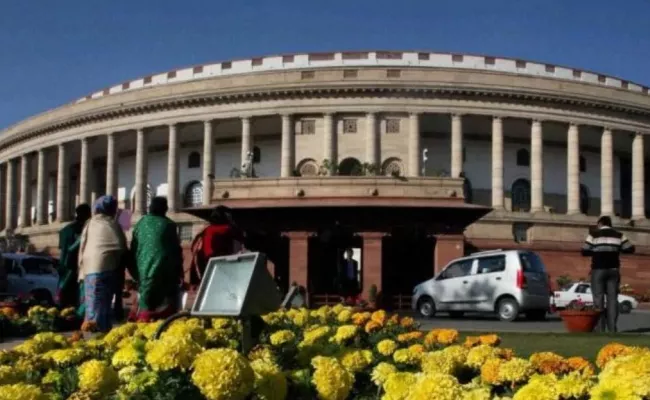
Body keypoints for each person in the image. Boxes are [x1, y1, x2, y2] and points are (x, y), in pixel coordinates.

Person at [78, 195, 128, 332]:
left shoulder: (91, 222)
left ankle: (96, 332)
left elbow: (82, 246)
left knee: (93, 305)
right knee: (102, 306)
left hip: (89, 270)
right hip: (107, 269)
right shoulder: (112, 224)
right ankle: (99, 334)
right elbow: (121, 247)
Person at [129, 196, 183, 322]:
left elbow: (133, 248)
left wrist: (135, 272)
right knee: (167, 301)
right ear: (165, 209)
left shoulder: (140, 223)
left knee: (146, 302)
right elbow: (175, 251)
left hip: (143, 271)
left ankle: (142, 326)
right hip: (164, 272)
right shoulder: (169, 225)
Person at [581, 215, 635, 333]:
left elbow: (584, 250)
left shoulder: (594, 234)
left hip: (598, 269)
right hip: (613, 270)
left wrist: (596, 251)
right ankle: (612, 328)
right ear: (610, 224)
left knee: (598, 299)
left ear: (600, 223)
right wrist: (616, 249)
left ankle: (600, 328)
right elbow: (631, 249)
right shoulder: (619, 235)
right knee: (612, 299)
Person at [188, 206, 244, 288]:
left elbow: (194, 251)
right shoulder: (232, 231)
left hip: (205, 274)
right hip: (226, 272)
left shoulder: (204, 232)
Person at [57, 204, 91, 309]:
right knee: (76, 299)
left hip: (63, 266)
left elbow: (62, 248)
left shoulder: (64, 230)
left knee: (63, 299)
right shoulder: (83, 230)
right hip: (75, 267)